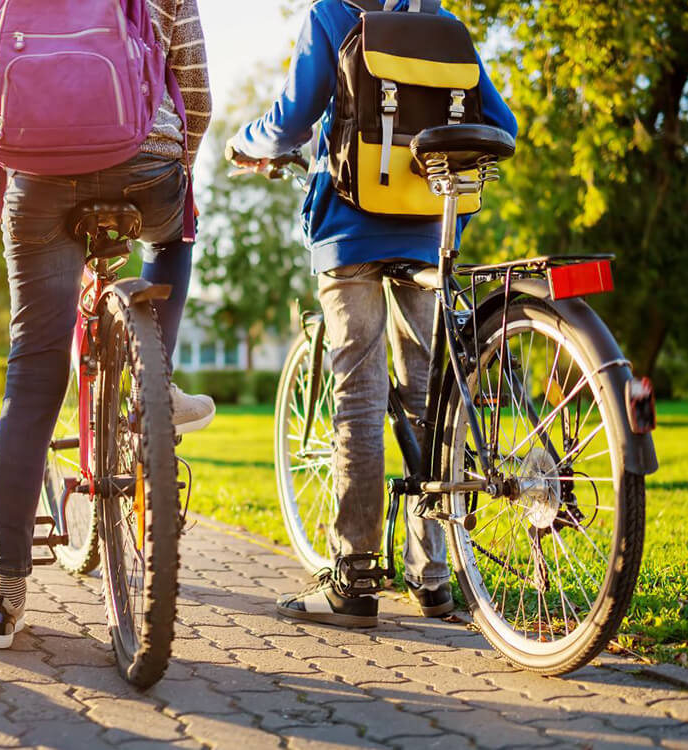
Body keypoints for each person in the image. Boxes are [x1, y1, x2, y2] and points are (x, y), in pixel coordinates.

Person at [227, 0, 517, 627]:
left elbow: (289, 123)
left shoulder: (333, 16)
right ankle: (433, 578)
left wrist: (243, 142)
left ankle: (353, 581)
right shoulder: (441, 23)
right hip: (427, 235)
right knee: (428, 399)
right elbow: (500, 122)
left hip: (350, 234)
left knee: (357, 396)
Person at [0, 0, 212, 649]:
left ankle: (3, 586)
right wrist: (183, 158)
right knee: (176, 235)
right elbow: (197, 90)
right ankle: (156, 389)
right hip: (145, 158)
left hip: (39, 170)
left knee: (34, 373)